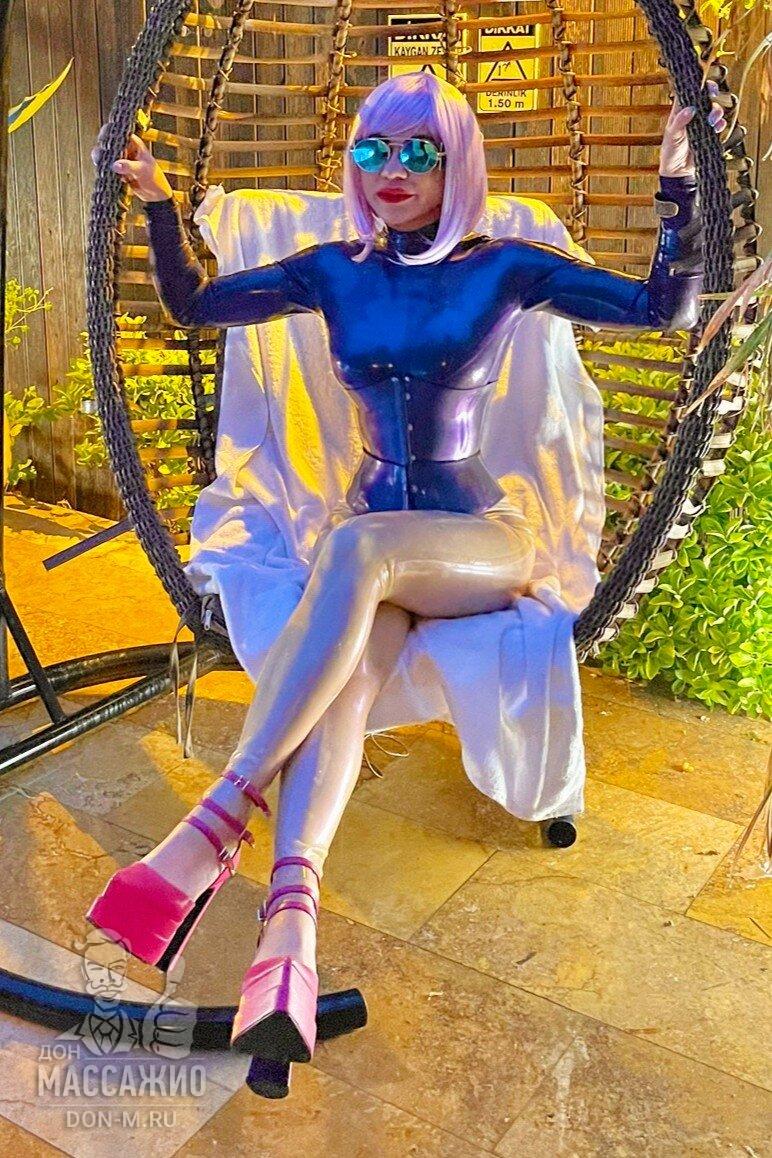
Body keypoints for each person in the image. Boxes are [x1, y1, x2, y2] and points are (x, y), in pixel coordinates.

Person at [87, 71, 725, 1064]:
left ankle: (213, 824)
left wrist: (679, 186)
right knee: (342, 680)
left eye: (419, 150)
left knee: (355, 544)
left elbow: (662, 311)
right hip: (376, 563)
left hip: (478, 542)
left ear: (455, 162)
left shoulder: (503, 266)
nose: (393, 169)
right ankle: (288, 935)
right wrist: (162, 206)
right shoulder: (334, 271)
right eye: (374, 148)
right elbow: (193, 304)